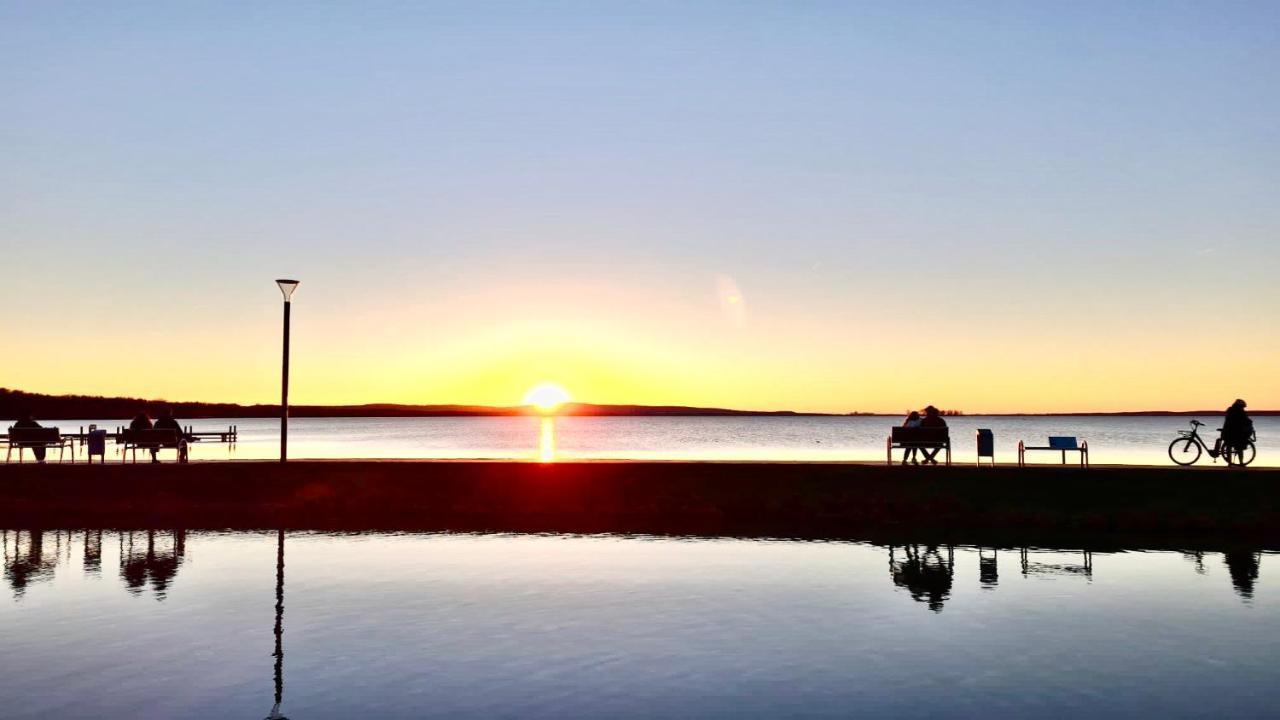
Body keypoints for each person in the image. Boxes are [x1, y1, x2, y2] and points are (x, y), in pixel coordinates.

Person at [1217, 399, 1254, 466]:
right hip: (1237, 433)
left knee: (1229, 447)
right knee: (1240, 448)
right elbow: (1246, 421)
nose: (1243, 408)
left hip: (1228, 432)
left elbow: (1227, 422)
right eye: (1242, 406)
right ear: (1240, 406)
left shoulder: (1230, 411)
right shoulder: (1241, 412)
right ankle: (1241, 463)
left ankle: (1229, 463)